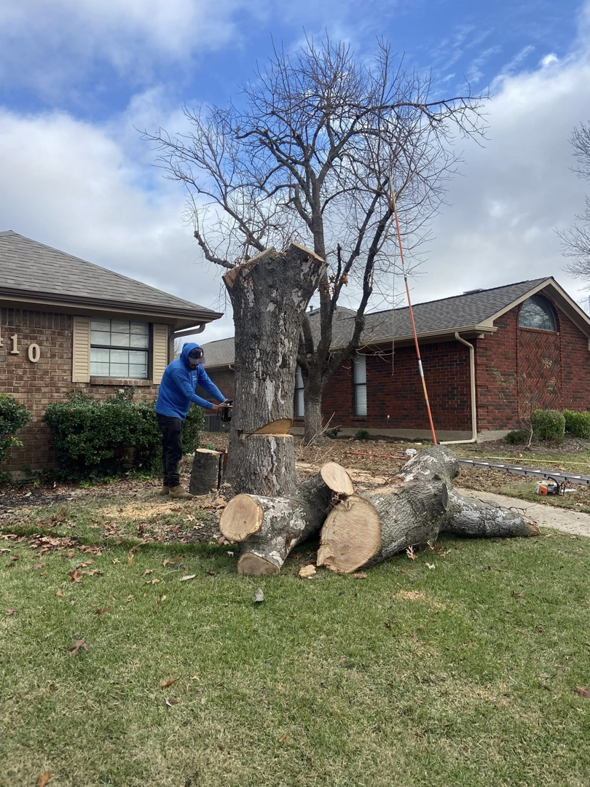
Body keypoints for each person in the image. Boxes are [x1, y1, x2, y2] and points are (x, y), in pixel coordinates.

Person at [155, 342, 227, 499]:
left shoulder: (197, 367)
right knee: (174, 448)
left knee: (170, 447)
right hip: (167, 411)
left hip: (178, 412)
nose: (196, 365)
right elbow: (190, 395)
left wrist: (224, 401)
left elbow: (208, 384)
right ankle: (174, 487)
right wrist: (213, 407)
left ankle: (167, 485)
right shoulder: (177, 369)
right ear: (186, 357)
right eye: (193, 362)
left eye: (199, 362)